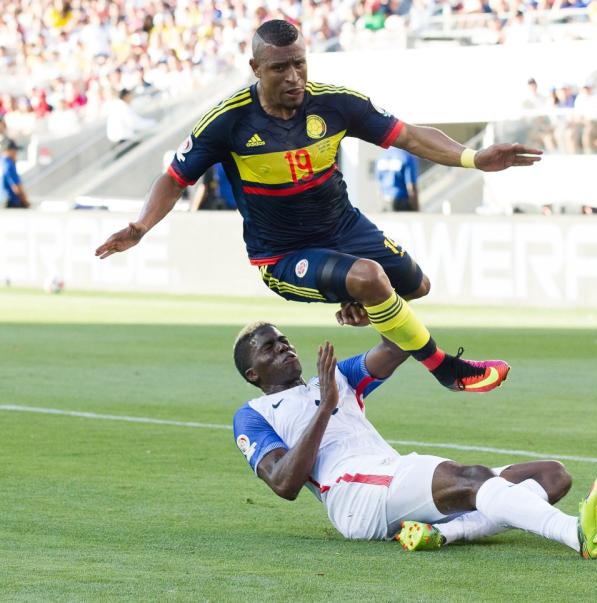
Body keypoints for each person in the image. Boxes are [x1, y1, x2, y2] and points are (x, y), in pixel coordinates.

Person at [96, 19, 543, 395]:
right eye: (279, 68)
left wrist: (471, 158)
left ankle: (357, 371)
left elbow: (408, 135)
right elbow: (175, 179)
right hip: (284, 254)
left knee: (416, 287)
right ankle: (446, 369)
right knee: (369, 277)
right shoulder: (227, 122)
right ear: (255, 69)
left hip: (344, 228)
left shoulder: (335, 103)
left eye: (299, 63)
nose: (293, 76)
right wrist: (140, 227)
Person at [231, 322, 597, 556]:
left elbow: (402, 342)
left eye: (283, 339)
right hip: (352, 494)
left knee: (553, 476)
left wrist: (370, 313)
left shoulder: (337, 376)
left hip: (389, 477)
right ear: (252, 373)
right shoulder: (253, 414)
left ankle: (445, 533)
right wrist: (325, 407)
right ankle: (576, 533)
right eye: (269, 346)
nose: (284, 345)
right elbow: (285, 484)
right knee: (473, 479)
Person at [105, 88, 156, 154]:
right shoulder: (123, 108)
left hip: (122, 140)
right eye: (130, 95)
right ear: (126, 97)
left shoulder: (119, 106)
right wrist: (153, 123)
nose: (132, 97)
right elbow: (135, 124)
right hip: (124, 141)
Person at [375, 146, 419, 211]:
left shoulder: (382, 156)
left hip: (385, 200)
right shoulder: (407, 156)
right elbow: (411, 186)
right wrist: (416, 208)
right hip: (401, 201)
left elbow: (379, 181)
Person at [1, 138, 30, 208]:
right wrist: (25, 201)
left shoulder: (2, 162)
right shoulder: (8, 163)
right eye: (14, 150)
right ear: (8, 150)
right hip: (9, 201)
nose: (16, 153)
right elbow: (16, 186)